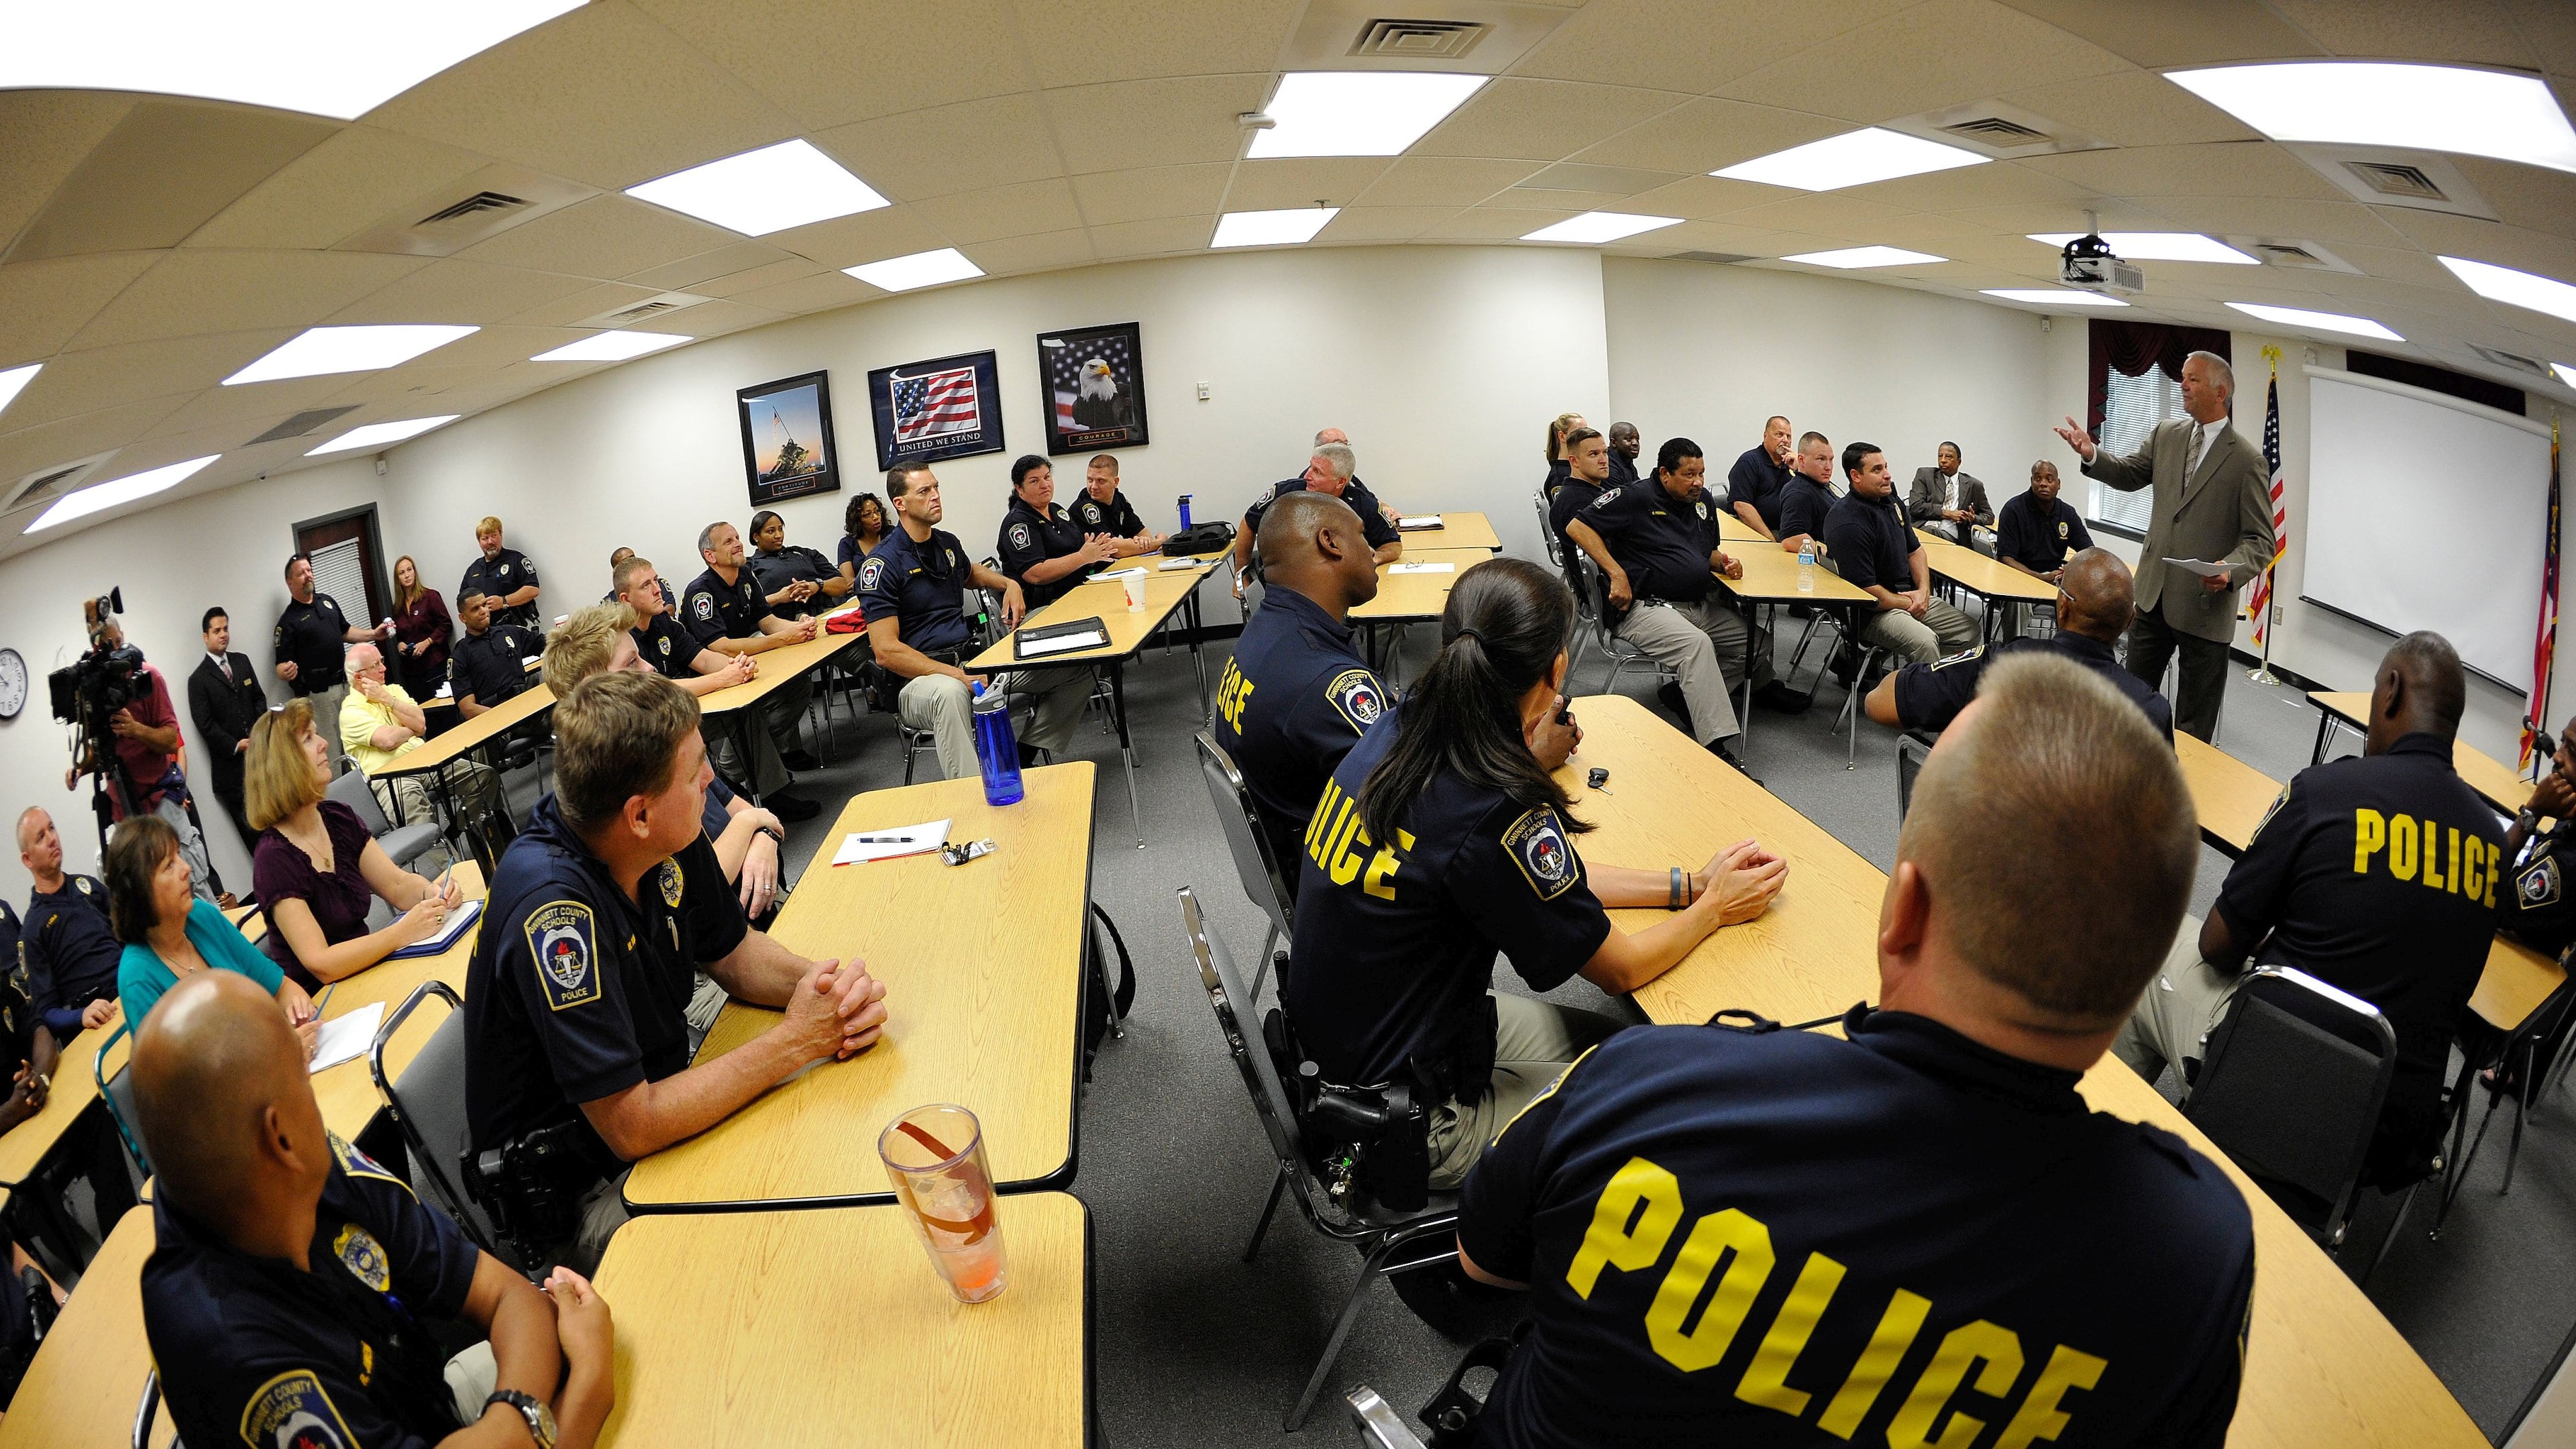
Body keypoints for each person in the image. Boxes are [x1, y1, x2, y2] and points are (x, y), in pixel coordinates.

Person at [1457, 654, 2252, 1448]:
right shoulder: (2192, 1260)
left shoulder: (1640, 1086)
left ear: (1901, 909)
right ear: (2141, 974)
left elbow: (1483, 1263)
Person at [1285, 558, 1786, 1187]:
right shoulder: (1492, 806)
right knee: (1672, 1102)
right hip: (1410, 1121)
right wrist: (1714, 910)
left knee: (1627, 1048)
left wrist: (1688, 884)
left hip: (1359, 1049)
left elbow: (1548, 875)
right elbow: (1620, 969)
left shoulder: (1403, 720)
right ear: (1557, 668)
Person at [464, 672, 888, 1269]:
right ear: (639, 814)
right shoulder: (556, 916)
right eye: (696, 771)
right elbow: (632, 1125)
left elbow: (736, 955)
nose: (712, 779)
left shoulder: (657, 825)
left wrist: (826, 989)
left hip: (652, 1110)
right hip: (587, 1191)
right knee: (788, 1204)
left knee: (820, 1129)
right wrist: (797, 1040)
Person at [136, 971, 614, 1449]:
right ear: (280, 1138)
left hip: (439, 1411)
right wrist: (586, 1391)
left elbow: (508, 1296)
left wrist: (515, 1421)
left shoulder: (305, 1173)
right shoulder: (238, 1358)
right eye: (304, 1078)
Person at [2114, 632, 2503, 1189]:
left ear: (2389, 691)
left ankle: (2102, 1145)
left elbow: (2217, 948)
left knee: (2151, 946)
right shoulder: (2492, 845)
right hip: (2388, 1135)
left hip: (2272, 1085)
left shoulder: (2323, 792)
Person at [2056, 350, 2273, 741]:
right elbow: (2128, 473)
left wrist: (2230, 570)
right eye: (2183, 377)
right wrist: (2091, 454)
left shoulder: (2246, 461)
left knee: (2193, 725)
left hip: (2206, 609)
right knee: (2129, 705)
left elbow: (2261, 542)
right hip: (2153, 596)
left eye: (2192, 379)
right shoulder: (2166, 435)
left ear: (2220, 392)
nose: (2182, 385)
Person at [544, 604, 788, 923]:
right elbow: (696, 890)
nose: (651, 669)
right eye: (632, 663)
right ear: (593, 691)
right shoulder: (619, 785)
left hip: (751, 900)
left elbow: (744, 810)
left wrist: (763, 836)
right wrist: (752, 825)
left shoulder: (665, 740)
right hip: (716, 939)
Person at [858, 465, 1094, 779]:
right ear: (900, 503)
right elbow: (886, 651)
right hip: (920, 683)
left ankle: (1023, 755)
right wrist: (957, 675)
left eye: (936, 488)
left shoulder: (947, 543)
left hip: (974, 667)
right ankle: (973, 795)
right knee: (950, 694)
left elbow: (971, 574)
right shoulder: (882, 564)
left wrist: (1009, 584)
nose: (936, 496)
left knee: (1081, 663)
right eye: (924, 491)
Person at [1562, 435, 1784, 766]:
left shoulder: (1703, 502)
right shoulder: (1634, 497)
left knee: (1757, 643)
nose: (1698, 482)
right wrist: (1617, 573)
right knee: (1697, 646)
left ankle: (1686, 694)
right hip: (1645, 606)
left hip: (1695, 605)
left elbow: (1703, 550)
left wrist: (1722, 562)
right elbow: (1577, 526)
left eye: (1702, 474)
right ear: (1665, 473)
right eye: (1689, 475)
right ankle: (1715, 749)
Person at [1214, 490, 1388, 875]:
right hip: (1340, 880)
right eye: (1362, 536)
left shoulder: (1268, 630)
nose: (1374, 551)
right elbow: (1424, 794)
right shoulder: (1325, 679)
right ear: (1330, 542)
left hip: (1297, 849)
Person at [248, 698, 465, 991]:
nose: (325, 743)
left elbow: (398, 886)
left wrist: (431, 892)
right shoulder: (274, 859)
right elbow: (321, 964)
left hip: (369, 972)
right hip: (327, 1002)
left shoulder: (337, 817)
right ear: (283, 763)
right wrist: (401, 933)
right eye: (309, 738)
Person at [1868, 548, 2173, 739]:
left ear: (2062, 606)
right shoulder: (2151, 712)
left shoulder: (2000, 665)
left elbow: (1879, 704)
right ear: (2129, 622)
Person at [615, 555, 816, 822]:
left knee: (746, 714)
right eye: (646, 586)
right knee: (740, 718)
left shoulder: (663, 622)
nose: (657, 589)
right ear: (626, 600)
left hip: (683, 708)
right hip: (653, 726)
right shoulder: (621, 639)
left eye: (656, 581)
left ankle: (765, 791)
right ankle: (752, 787)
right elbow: (655, 691)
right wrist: (723, 679)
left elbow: (703, 658)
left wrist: (736, 665)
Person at [107, 812, 320, 1038]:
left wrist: (299, 1011)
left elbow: (282, 989)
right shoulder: (137, 977)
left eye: (179, 855)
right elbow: (187, 1074)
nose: (186, 868)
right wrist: (284, 1049)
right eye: (169, 865)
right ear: (139, 891)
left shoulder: (202, 916)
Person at [75, 610, 218, 904]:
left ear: (122, 638)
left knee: (193, 886)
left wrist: (136, 729)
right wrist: (80, 769)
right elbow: (97, 751)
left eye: (115, 643)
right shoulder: (94, 690)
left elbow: (170, 739)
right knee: (148, 895)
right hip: (124, 811)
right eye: (103, 647)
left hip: (161, 800)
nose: (112, 651)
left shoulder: (148, 677)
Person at [680, 521, 824, 775]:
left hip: (749, 658)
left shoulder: (745, 574)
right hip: (715, 673)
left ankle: (760, 755)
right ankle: (737, 765)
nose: (738, 543)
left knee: (800, 685)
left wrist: (796, 627)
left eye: (737, 537)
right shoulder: (699, 592)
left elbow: (767, 621)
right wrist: (782, 639)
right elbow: (721, 647)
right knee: (753, 710)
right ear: (710, 556)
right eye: (728, 541)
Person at [1823, 441, 1980, 665]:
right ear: (1856, 476)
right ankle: (1919, 695)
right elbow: (1867, 592)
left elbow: (1916, 552)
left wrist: (1924, 592)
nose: (1887, 475)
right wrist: (1908, 603)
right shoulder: (1847, 521)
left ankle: (1928, 682)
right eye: (1877, 470)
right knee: (1925, 642)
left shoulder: (1890, 501)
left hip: (1909, 597)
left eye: (1886, 467)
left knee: (1969, 633)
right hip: (1873, 612)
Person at [340, 642, 508, 836]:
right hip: (391, 779)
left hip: (425, 762)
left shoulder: (393, 691)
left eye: (382, 661)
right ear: (359, 677)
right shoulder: (351, 711)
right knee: (422, 823)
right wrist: (410, 729)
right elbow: (387, 741)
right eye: (375, 665)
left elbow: (420, 724)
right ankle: (448, 863)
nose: (383, 668)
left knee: (485, 777)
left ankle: (456, 833)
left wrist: (388, 700)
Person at [1233, 443, 1400, 598]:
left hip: (1339, 590)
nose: (1307, 475)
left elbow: (1394, 545)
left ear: (1340, 482)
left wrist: (1374, 558)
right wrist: (1240, 575)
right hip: (1287, 588)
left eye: (1317, 471)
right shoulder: (1285, 494)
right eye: (1310, 467)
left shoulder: (1363, 504)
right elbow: (1249, 523)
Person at [21, 806, 126, 1039]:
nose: (52, 839)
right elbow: (47, 1012)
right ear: (27, 859)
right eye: (40, 837)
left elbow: (131, 934)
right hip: (95, 1020)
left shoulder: (88, 886)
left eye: (51, 829)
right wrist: (81, 1015)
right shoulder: (33, 930)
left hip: (130, 988)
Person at [274, 551, 389, 755]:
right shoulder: (288, 622)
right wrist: (285, 671)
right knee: (332, 751)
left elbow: (345, 631)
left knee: (357, 743)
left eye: (309, 570)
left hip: (347, 685)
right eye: (301, 573)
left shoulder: (327, 602)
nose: (308, 575)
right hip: (320, 696)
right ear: (290, 582)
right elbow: (281, 666)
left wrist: (374, 634)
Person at [188, 606, 270, 852]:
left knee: (278, 824)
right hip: (232, 775)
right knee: (257, 839)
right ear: (206, 636)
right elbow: (205, 725)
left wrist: (259, 732)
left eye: (226, 629)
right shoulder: (198, 680)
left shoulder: (241, 661)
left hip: (261, 761)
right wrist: (236, 745)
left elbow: (259, 698)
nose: (223, 634)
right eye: (217, 631)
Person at [998, 454, 1116, 610]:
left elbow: (1077, 551)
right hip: (1046, 605)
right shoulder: (1018, 523)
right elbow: (1035, 574)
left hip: (1079, 591)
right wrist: (1082, 557)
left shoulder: (1057, 510)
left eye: (1047, 477)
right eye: (1034, 481)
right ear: (1019, 488)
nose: (1044, 485)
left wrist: (1093, 554)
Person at [448, 590, 545, 718]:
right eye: (475, 609)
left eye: (484, 605)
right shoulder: (460, 656)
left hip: (527, 706)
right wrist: (504, 717)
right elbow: (468, 708)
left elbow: (550, 642)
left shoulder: (509, 632)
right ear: (463, 618)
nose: (483, 611)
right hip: (496, 718)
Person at [1995, 459, 2092, 582]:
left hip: (2055, 579)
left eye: (2049, 480)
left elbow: (2088, 551)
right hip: (2019, 579)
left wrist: (2071, 569)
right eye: (2038, 479)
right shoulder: (2013, 510)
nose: (2043, 484)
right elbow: (2005, 559)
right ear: (2032, 481)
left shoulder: (2068, 513)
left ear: (2059, 484)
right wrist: (2041, 578)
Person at [745, 508, 849, 619]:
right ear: (756, 537)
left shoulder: (804, 553)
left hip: (825, 613)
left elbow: (843, 585)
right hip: (785, 623)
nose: (778, 535)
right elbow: (747, 608)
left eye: (780, 529)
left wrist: (818, 585)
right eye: (771, 531)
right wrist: (778, 597)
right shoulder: (750, 566)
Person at [386, 555, 453, 698]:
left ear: (415, 572)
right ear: (397, 578)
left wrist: (427, 642)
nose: (407, 575)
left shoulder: (430, 596)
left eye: (409, 570)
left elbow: (446, 625)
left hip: (435, 664)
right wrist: (400, 645)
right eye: (402, 573)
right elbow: (399, 636)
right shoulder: (397, 607)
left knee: (445, 712)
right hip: (413, 671)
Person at [459, 515, 542, 631]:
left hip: (517, 630)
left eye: (494, 536)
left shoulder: (516, 560)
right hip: (486, 635)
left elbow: (533, 589)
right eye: (485, 538)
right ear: (479, 542)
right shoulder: (473, 570)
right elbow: (463, 603)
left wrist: (504, 601)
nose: (490, 542)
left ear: (501, 535)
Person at [1906, 440, 1994, 548]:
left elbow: (1989, 516)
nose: (1943, 460)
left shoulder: (1974, 485)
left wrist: (1972, 518)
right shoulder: (1925, 475)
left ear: (1959, 461)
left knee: (1930, 533)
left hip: (1954, 538)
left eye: (1948, 457)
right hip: (1924, 529)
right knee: (1929, 531)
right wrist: (1948, 514)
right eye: (1940, 456)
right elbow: (1915, 507)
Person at [1071, 455, 1166, 554]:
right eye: (1090, 480)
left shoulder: (1118, 498)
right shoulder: (1085, 507)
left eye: (1101, 481)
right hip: (1086, 569)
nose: (1093, 487)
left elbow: (1143, 534)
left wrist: (1144, 542)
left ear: (1115, 482)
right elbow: (1114, 549)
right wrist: (1160, 543)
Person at [1724, 415, 1792, 541]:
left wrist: (1801, 469)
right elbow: (1741, 507)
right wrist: (1770, 539)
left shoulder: (1791, 465)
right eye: (1779, 435)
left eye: (1789, 436)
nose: (1785, 440)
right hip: (1753, 533)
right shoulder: (1749, 462)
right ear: (1766, 436)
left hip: (1786, 533)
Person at [1774, 430, 1838, 557]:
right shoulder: (1799, 492)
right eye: (1821, 459)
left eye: (1831, 460)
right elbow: (1791, 538)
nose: (1828, 467)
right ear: (1802, 460)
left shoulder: (1819, 485)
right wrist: (1828, 555)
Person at [835, 494, 892, 596]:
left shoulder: (891, 534)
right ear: (858, 520)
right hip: (861, 597)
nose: (875, 517)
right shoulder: (847, 544)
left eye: (877, 511)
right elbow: (850, 584)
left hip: (892, 591)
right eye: (867, 514)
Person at [604, 546, 676, 612]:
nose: (658, 590)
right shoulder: (609, 601)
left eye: (633, 558)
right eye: (625, 562)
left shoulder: (658, 584)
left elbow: (670, 608)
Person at [1542, 413, 1587, 498]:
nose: (1585, 437)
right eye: (1579, 433)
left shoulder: (1576, 467)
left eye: (1586, 432)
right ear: (1562, 436)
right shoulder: (1560, 478)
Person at [1605, 421, 1641, 486]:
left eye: (1637, 439)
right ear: (1614, 443)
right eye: (1629, 439)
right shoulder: (1607, 465)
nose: (1635, 443)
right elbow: (1623, 495)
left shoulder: (1627, 462)